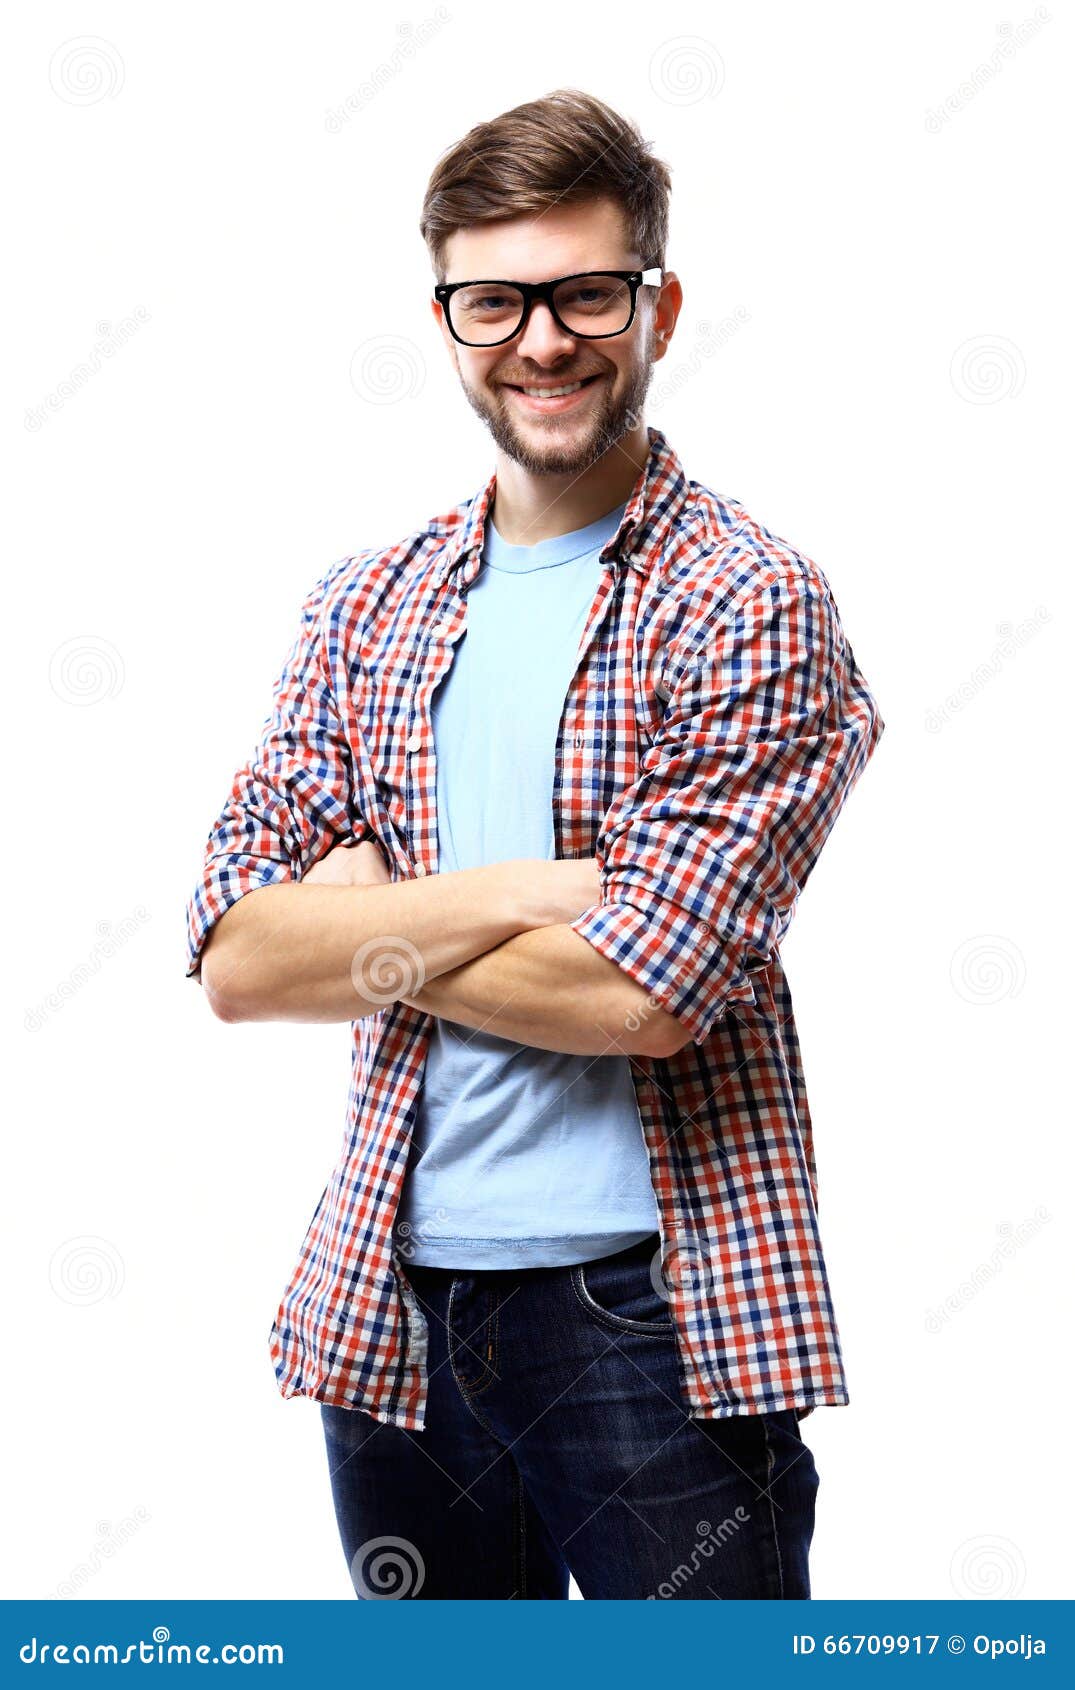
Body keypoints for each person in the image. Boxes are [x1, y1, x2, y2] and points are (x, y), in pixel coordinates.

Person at [184, 88, 885, 1600]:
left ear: (659, 305)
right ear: (447, 318)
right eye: (496, 300)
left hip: (652, 1310)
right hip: (394, 1305)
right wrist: (513, 895)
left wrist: (368, 931)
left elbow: (648, 995)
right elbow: (237, 958)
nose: (544, 340)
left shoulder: (750, 601)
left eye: (586, 293)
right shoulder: (364, 605)